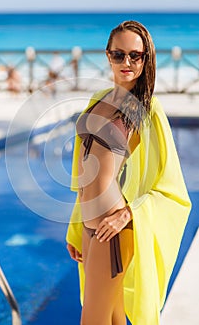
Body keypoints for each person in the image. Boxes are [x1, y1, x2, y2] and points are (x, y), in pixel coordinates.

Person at [66, 20, 191, 325]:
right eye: (119, 54)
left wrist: (128, 215)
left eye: (136, 55)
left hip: (114, 229)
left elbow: (170, 186)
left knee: (92, 319)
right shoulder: (99, 99)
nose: (127, 62)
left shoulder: (147, 109)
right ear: (108, 55)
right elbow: (85, 170)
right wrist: (75, 225)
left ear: (147, 59)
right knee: (112, 317)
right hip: (91, 226)